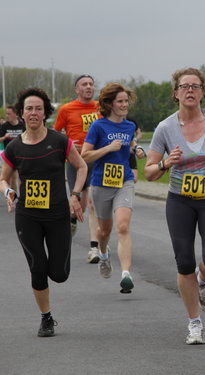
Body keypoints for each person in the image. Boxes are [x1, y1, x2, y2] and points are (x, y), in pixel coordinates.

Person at [144, 68, 205, 345]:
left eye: (195, 86)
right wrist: (165, 163)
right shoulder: (165, 128)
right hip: (180, 201)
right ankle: (194, 322)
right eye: (184, 86)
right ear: (175, 93)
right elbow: (149, 172)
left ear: (202, 92)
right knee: (184, 262)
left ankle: (204, 280)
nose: (190, 91)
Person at [0, 87, 87, 337]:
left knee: (58, 274)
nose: (34, 112)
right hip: (27, 215)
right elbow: (3, 179)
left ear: (45, 112)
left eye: (38, 108)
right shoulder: (14, 148)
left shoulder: (59, 141)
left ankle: (66, 241)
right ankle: (46, 318)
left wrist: (75, 195)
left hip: (58, 213)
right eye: (29, 108)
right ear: (22, 113)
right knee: (37, 266)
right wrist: (8, 193)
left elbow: (81, 167)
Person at [81, 82, 145, 293]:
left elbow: (132, 143)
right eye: (120, 101)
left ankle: (126, 273)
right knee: (105, 230)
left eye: (126, 101)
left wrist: (138, 149)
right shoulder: (98, 126)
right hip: (101, 183)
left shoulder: (128, 126)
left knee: (123, 226)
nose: (125, 105)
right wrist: (108, 148)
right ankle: (104, 254)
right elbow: (85, 155)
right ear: (109, 104)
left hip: (124, 181)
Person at [54, 74, 101, 264]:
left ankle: (94, 248)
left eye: (91, 84)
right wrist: (70, 144)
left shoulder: (101, 108)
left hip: (96, 160)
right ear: (77, 89)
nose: (88, 87)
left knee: (92, 203)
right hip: (75, 162)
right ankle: (72, 218)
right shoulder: (67, 109)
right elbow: (57, 133)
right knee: (79, 204)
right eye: (84, 84)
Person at [0, 105, 26, 190]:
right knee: (13, 179)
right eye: (6, 114)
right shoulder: (4, 126)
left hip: (22, 154)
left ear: (15, 114)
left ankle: (22, 197)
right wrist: (5, 137)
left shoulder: (22, 125)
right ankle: (13, 199)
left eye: (9, 114)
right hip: (9, 155)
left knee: (22, 178)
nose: (7, 116)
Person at [127, 118, 142, 183]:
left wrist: (134, 140)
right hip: (119, 150)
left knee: (134, 179)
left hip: (131, 150)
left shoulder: (132, 121)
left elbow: (139, 134)